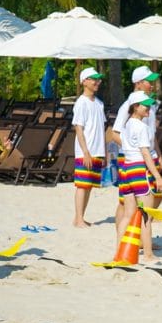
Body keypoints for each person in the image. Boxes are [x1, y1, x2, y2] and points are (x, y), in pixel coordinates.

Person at [115, 91, 162, 262]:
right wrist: (157, 176)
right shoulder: (142, 127)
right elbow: (145, 153)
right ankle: (148, 255)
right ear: (135, 106)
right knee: (146, 215)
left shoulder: (127, 124)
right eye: (146, 105)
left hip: (126, 169)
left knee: (128, 214)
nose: (149, 108)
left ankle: (120, 251)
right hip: (139, 169)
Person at [112, 65, 162, 237]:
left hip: (148, 155)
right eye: (149, 82)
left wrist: (158, 154)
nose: (152, 85)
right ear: (139, 83)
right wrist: (134, 151)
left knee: (154, 197)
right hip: (133, 158)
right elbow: (114, 133)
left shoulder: (149, 105)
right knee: (126, 202)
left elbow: (151, 133)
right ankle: (124, 240)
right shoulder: (128, 105)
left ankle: (140, 238)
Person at [71, 66, 106, 228]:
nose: (97, 82)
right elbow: (79, 128)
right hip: (85, 151)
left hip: (97, 150)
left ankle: (80, 217)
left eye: (98, 79)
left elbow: (101, 129)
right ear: (84, 82)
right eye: (94, 79)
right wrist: (85, 152)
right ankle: (78, 218)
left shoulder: (99, 103)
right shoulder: (81, 103)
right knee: (82, 185)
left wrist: (104, 152)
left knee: (89, 186)